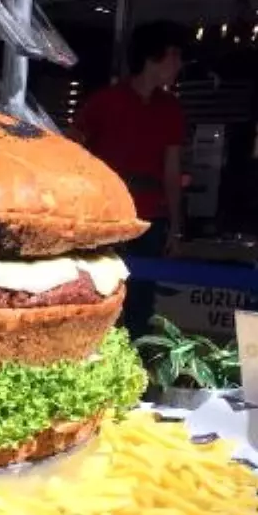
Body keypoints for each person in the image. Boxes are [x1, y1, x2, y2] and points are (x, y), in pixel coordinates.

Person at [72, 20, 188, 340]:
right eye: (173, 55)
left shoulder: (171, 109)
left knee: (141, 303)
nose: (178, 63)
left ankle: (133, 370)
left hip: (151, 217)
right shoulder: (105, 101)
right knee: (101, 293)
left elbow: (172, 171)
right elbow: (72, 153)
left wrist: (176, 227)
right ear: (152, 57)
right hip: (108, 215)